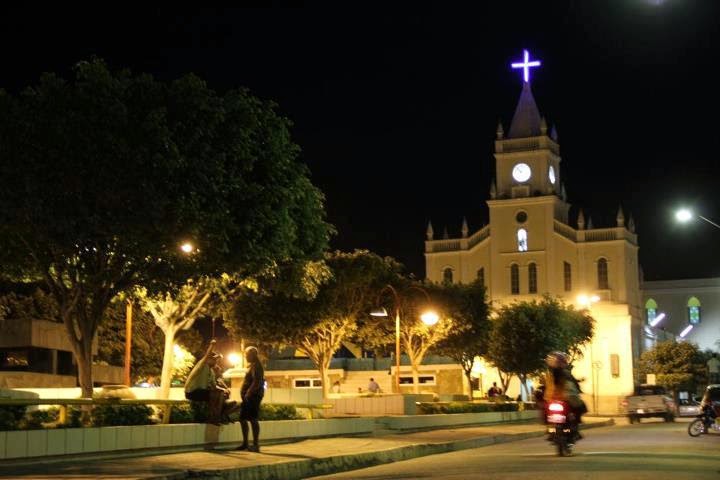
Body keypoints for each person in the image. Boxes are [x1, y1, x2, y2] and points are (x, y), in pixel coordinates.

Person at [543, 351, 587, 441]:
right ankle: (572, 429)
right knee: (580, 407)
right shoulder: (562, 374)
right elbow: (543, 387)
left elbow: (543, 387)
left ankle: (572, 429)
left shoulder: (548, 374)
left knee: (578, 408)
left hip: (556, 400)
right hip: (562, 399)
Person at [184, 340, 226, 424]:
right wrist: (212, 345)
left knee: (221, 394)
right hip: (192, 392)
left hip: (201, 392)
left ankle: (217, 416)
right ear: (208, 360)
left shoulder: (212, 372)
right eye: (214, 360)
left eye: (216, 360)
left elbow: (214, 386)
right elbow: (207, 355)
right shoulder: (201, 365)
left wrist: (224, 390)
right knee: (214, 394)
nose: (216, 362)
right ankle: (213, 417)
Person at [236, 346, 265, 452]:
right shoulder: (252, 365)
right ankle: (245, 443)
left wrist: (249, 392)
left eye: (247, 355)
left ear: (253, 354)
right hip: (248, 397)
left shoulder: (257, 366)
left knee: (253, 419)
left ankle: (256, 445)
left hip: (253, 396)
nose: (245, 356)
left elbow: (257, 381)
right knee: (242, 419)